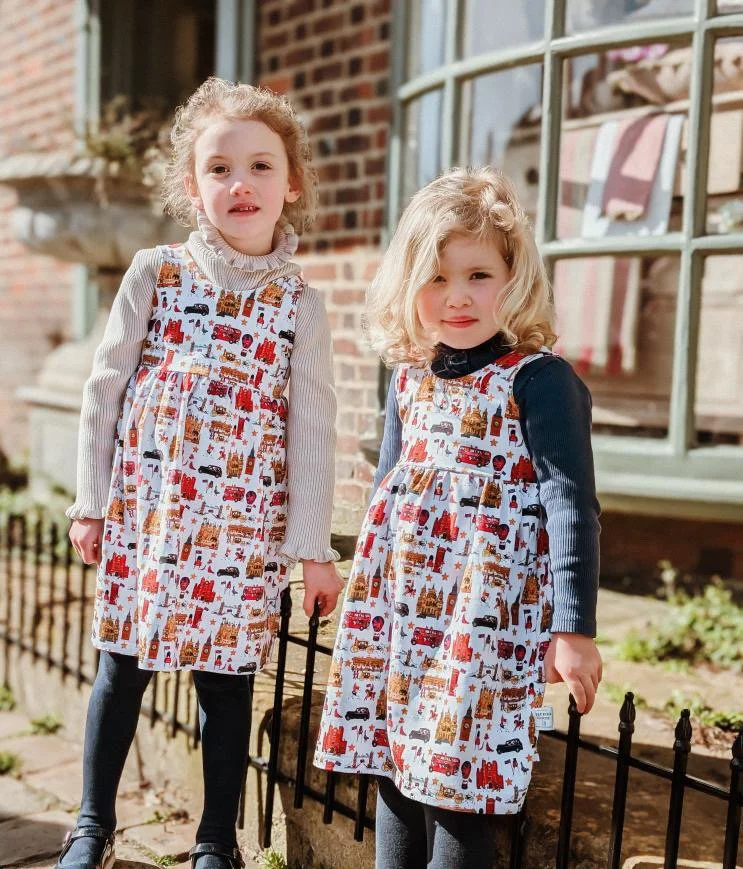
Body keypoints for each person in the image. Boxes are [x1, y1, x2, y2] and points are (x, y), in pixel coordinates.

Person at [60, 77, 343, 869]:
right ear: (192, 187)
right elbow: (105, 389)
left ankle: (214, 839)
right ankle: (91, 826)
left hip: (242, 530)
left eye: (259, 166)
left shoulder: (299, 304)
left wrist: (311, 545)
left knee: (225, 683)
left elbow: (312, 425)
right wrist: (92, 501)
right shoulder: (157, 273)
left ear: (290, 184)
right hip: (149, 521)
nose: (239, 184)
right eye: (218, 168)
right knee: (123, 667)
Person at [314, 167, 602, 869]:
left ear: (514, 276)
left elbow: (570, 505)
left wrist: (573, 630)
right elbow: (389, 489)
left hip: (484, 621)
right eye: (436, 278)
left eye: (478, 274)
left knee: (460, 781)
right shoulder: (409, 377)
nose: (457, 297)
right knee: (394, 768)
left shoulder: (536, 379)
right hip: (400, 614)